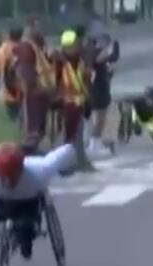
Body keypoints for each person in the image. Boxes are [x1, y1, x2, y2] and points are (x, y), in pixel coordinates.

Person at [0, 141, 76, 260]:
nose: (8, 181)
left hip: (16, 203)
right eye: (4, 176)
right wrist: (66, 166)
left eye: (11, 176)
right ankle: (26, 231)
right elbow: (66, 151)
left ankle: (25, 231)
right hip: (23, 202)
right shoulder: (40, 170)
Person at [14, 19, 56, 150]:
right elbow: (25, 71)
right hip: (33, 93)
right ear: (30, 29)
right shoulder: (27, 46)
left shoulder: (39, 45)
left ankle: (36, 150)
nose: (42, 29)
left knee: (40, 128)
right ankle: (29, 152)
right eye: (38, 27)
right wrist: (36, 86)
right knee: (33, 129)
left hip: (43, 93)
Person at [56, 30, 93, 170]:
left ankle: (80, 161)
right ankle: (69, 163)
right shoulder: (60, 63)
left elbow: (84, 81)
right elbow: (55, 83)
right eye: (73, 45)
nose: (77, 47)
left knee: (77, 136)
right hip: (66, 104)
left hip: (79, 103)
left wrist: (88, 98)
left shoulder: (79, 61)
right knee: (69, 136)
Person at [87, 30, 120, 156]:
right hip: (97, 90)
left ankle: (96, 143)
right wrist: (111, 49)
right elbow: (100, 60)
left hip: (102, 89)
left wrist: (110, 73)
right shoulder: (94, 53)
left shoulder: (99, 55)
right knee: (99, 120)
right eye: (105, 41)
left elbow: (106, 70)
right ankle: (94, 145)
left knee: (100, 120)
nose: (106, 44)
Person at [0, 28, 24, 124]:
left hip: (8, 91)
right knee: (25, 119)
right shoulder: (25, 49)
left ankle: (16, 135)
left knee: (13, 119)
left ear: (9, 36)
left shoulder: (2, 51)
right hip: (24, 90)